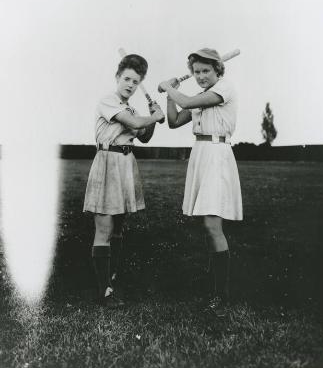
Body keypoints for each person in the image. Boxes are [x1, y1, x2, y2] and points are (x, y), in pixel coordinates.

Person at [158, 48, 243, 313]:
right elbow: (173, 121)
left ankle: (222, 295)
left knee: (212, 223)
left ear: (218, 70)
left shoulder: (225, 89)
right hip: (200, 155)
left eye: (206, 71)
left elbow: (187, 102)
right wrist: (170, 96)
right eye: (196, 72)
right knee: (206, 224)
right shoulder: (198, 96)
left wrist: (167, 87)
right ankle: (214, 284)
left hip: (218, 155)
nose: (201, 76)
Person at [83, 54, 164, 307]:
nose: (130, 84)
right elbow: (134, 123)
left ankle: (111, 278)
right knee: (105, 228)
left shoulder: (131, 107)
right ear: (117, 77)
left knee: (119, 226)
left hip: (126, 164)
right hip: (108, 162)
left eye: (135, 81)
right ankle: (104, 292)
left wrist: (153, 117)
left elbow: (144, 136)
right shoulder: (109, 101)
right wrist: (154, 118)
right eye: (127, 79)